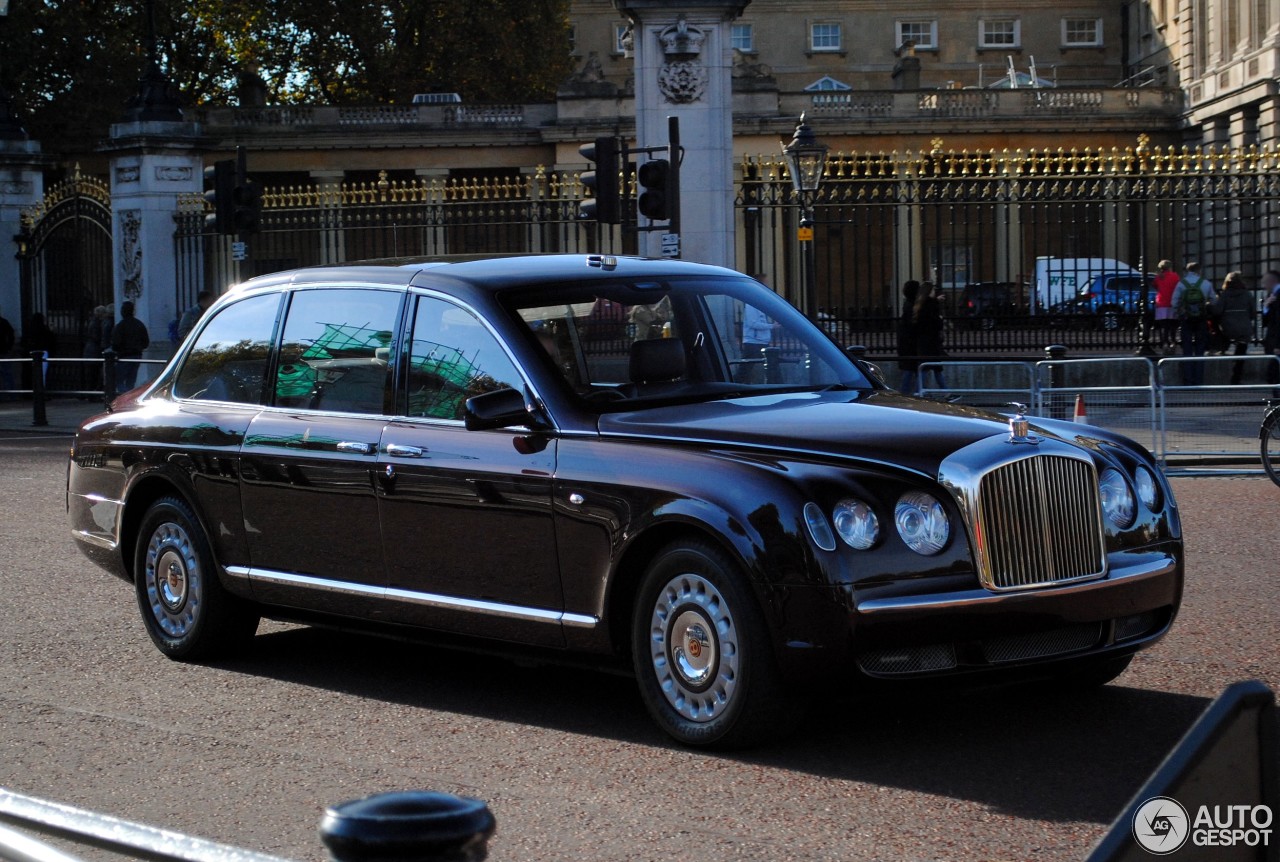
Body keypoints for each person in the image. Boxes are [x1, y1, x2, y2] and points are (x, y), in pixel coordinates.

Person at [1172, 262, 1216, 386]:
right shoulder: (1206, 283)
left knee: (1187, 349)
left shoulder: (1181, 284)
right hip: (1201, 319)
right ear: (1199, 270)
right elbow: (1213, 299)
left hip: (1186, 318)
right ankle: (1199, 380)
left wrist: (1178, 312)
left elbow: (1174, 302)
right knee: (1200, 349)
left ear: (1187, 270)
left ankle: (1188, 380)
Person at [1210, 271, 1255, 385]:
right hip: (1244, 328)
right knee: (1241, 349)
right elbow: (1253, 313)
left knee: (1221, 332)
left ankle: (1221, 347)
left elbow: (1217, 311)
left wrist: (1209, 306)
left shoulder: (1225, 294)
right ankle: (1236, 378)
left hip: (1228, 328)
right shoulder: (1247, 294)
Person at [912, 281, 948, 392]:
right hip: (931, 342)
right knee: (934, 368)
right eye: (932, 290)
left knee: (926, 368)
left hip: (923, 342)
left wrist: (936, 301)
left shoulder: (920, 305)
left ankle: (945, 392)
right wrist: (940, 319)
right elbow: (936, 323)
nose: (934, 292)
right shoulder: (931, 306)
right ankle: (945, 392)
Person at [110, 300, 150, 394]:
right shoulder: (139, 324)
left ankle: (125, 398)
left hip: (124, 356)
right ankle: (129, 396)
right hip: (137, 355)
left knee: (119, 380)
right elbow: (146, 342)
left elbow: (116, 343)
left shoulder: (121, 326)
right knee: (131, 381)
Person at [19, 312, 58, 388]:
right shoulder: (46, 331)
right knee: (42, 374)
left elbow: (23, 342)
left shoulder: (28, 331)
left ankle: (28, 391)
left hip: (29, 354)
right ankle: (42, 391)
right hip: (43, 353)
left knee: (29, 374)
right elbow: (52, 342)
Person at [896, 280, 920, 394]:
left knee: (910, 369)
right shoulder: (912, 306)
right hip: (910, 343)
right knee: (910, 369)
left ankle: (908, 392)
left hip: (906, 342)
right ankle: (906, 393)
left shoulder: (908, 304)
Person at [1152, 259, 1180, 349]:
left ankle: (1164, 341)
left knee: (1163, 325)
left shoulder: (1159, 277)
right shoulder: (1175, 276)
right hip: (1172, 302)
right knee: (1173, 324)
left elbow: (1155, 286)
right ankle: (1173, 341)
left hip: (1161, 303)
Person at [1262, 269, 1280, 386]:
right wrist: (1266, 307)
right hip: (1274, 341)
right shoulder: (1272, 295)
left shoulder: (1278, 296)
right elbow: (1267, 321)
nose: (1263, 286)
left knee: (1273, 375)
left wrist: (1278, 345)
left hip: (1276, 343)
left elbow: (1278, 322)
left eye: (1265, 282)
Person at [0, 307, 15, 397]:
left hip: (3, 350)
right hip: (4, 350)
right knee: (7, 373)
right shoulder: (3, 322)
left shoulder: (3, 322)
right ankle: (11, 394)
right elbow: (11, 334)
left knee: (7, 373)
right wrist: (9, 346)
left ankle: (10, 394)